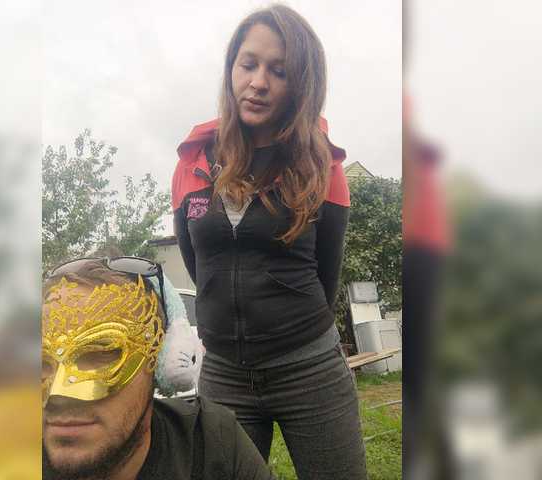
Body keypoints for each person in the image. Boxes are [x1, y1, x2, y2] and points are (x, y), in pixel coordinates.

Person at [172, 5, 367, 479]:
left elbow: (326, 273)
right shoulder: (191, 163)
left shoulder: (322, 165)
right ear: (231, 69)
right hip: (224, 375)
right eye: (249, 64)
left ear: (300, 84)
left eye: (278, 71)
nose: (258, 82)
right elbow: (200, 266)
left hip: (309, 369)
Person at [41, 257, 274, 480]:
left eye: (102, 353)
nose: (56, 394)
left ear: (160, 361)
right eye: (41, 363)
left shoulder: (212, 443)